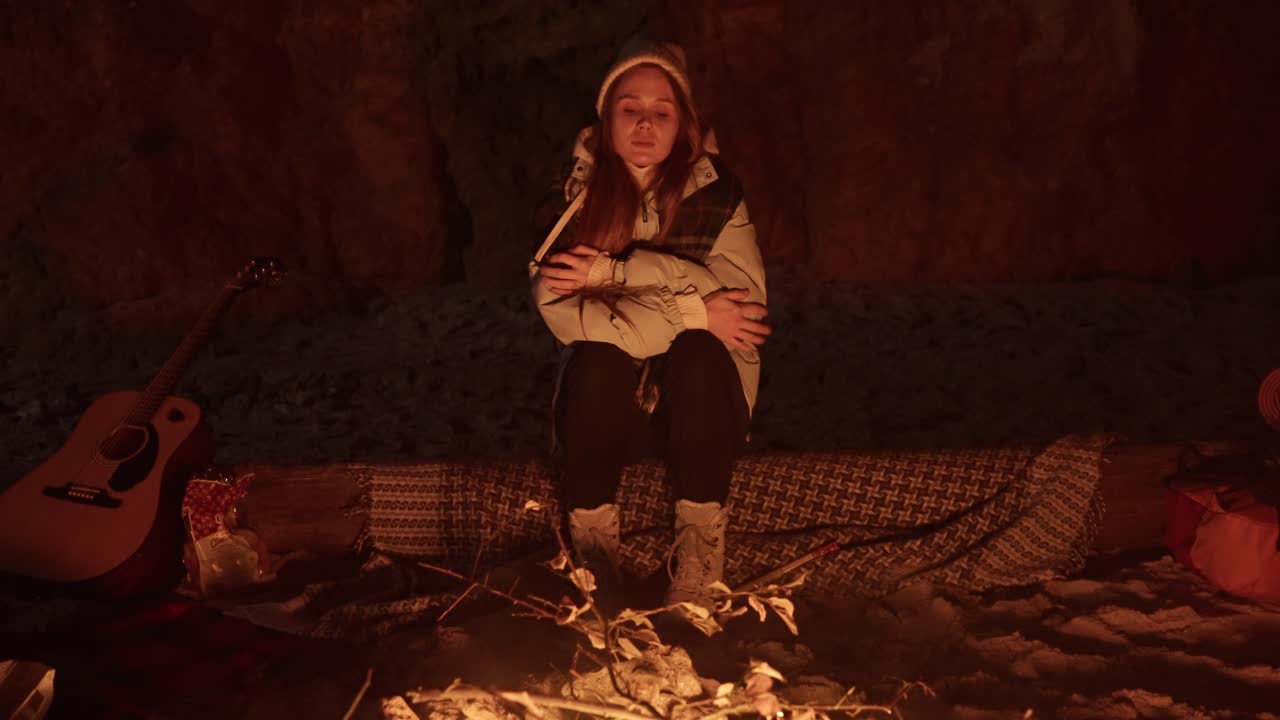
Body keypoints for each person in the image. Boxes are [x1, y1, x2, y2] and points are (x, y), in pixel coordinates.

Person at [529, 38, 770, 609]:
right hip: (607, 409)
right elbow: (564, 313)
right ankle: (593, 555)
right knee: (597, 356)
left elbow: (741, 310)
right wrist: (692, 307)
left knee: (702, 353)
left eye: (661, 111)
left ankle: (699, 555)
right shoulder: (573, 198)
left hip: (703, 410)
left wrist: (614, 274)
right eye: (629, 108)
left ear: (683, 122)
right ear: (605, 118)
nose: (644, 124)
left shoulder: (716, 194)